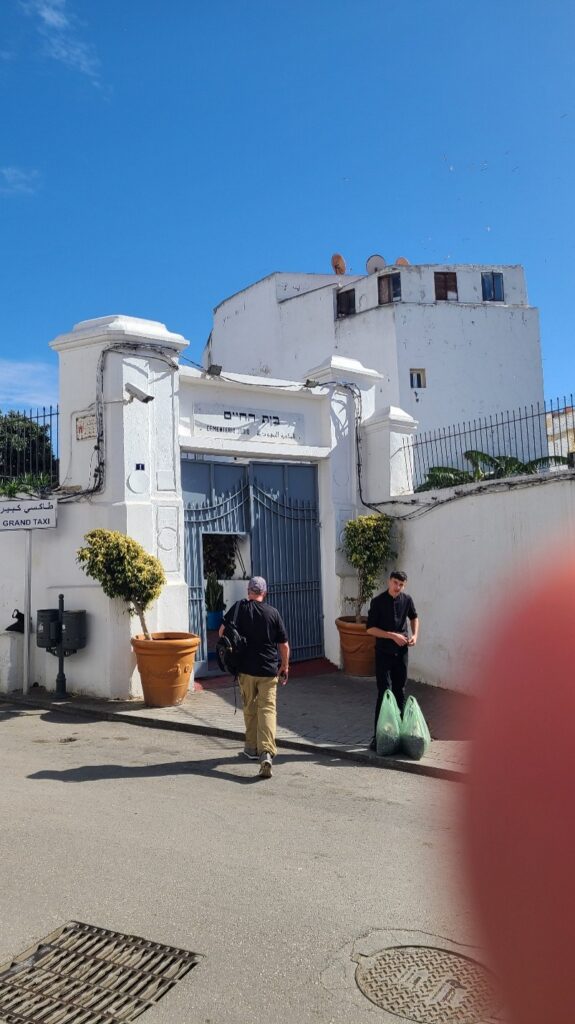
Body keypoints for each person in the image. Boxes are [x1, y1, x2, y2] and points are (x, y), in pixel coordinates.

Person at [219, 576, 289, 778]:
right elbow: (283, 645)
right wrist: (285, 666)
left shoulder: (238, 609)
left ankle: (251, 748)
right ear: (264, 593)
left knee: (249, 707)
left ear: (248, 591)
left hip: (245, 670)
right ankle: (266, 752)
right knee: (267, 709)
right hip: (268, 671)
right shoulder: (272, 613)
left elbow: (223, 631)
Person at [366, 570, 419, 750]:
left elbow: (414, 617)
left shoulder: (407, 600)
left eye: (401, 584)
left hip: (401, 652)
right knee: (384, 692)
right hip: (383, 653)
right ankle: (378, 736)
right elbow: (370, 629)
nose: (398, 587)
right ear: (389, 581)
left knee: (400, 691)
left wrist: (415, 635)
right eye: (395, 583)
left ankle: (401, 735)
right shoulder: (378, 602)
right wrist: (391, 636)